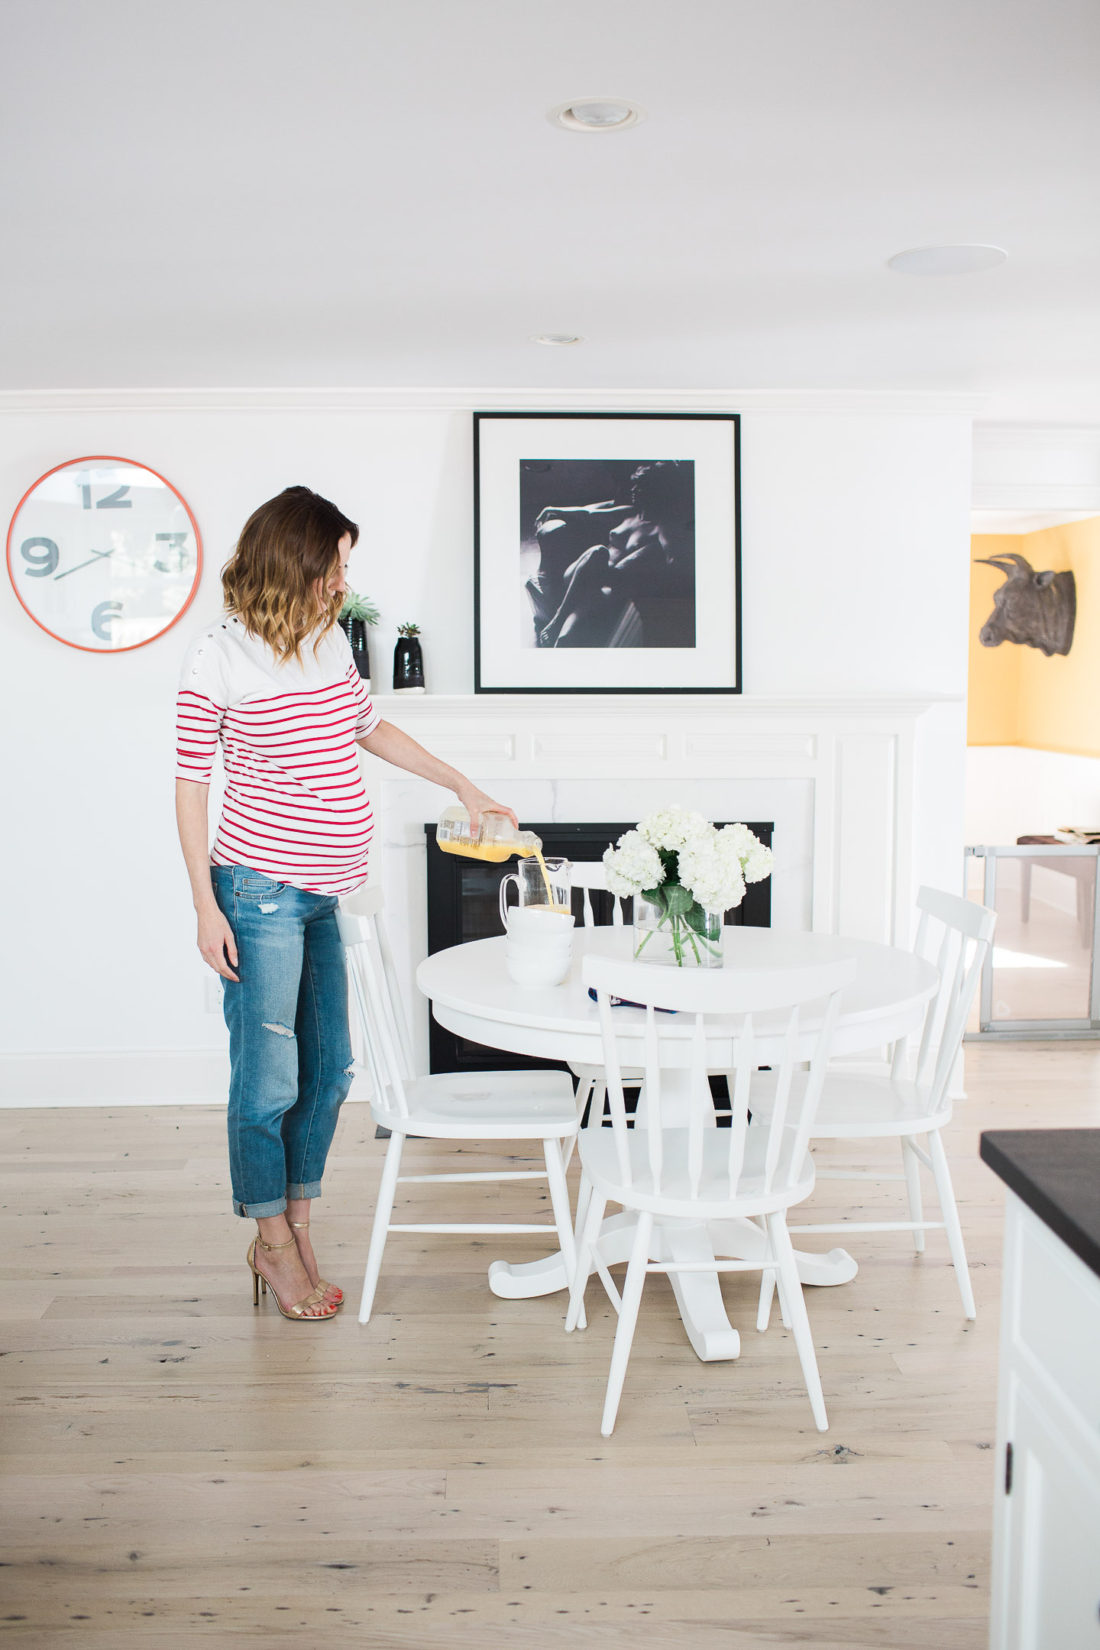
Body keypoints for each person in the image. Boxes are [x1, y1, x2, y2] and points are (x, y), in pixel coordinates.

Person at [174, 486, 515, 1322]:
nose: (342, 581)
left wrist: (462, 782)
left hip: (330, 890)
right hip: (255, 892)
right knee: (267, 1084)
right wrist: (203, 909)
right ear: (298, 560)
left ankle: (294, 1225)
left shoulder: (327, 644)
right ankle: (273, 1243)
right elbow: (190, 786)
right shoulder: (216, 660)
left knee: (329, 1075)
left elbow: (369, 729)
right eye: (336, 564)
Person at [527, 461, 696, 649]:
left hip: (604, 590)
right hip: (578, 577)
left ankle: (559, 622)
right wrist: (555, 509)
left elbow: (676, 563)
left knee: (566, 641)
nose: (633, 493)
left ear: (657, 494)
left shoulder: (664, 529)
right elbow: (588, 513)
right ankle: (558, 618)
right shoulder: (630, 513)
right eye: (635, 488)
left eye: (640, 490)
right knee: (598, 552)